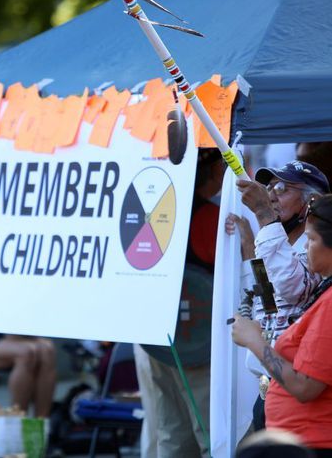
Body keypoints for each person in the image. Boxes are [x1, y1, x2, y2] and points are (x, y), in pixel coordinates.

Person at [226, 160, 329, 429]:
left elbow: (293, 288)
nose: (271, 194)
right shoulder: (276, 238)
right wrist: (249, 243)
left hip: (295, 390)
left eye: (282, 188)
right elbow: (269, 300)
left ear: (311, 200)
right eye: (269, 187)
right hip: (270, 386)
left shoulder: (318, 244)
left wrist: (262, 215)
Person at [138, 149, 225, 458]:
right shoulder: (210, 218)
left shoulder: (154, 209)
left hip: (154, 335)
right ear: (214, 171)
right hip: (194, 343)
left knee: (171, 431)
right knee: (210, 434)